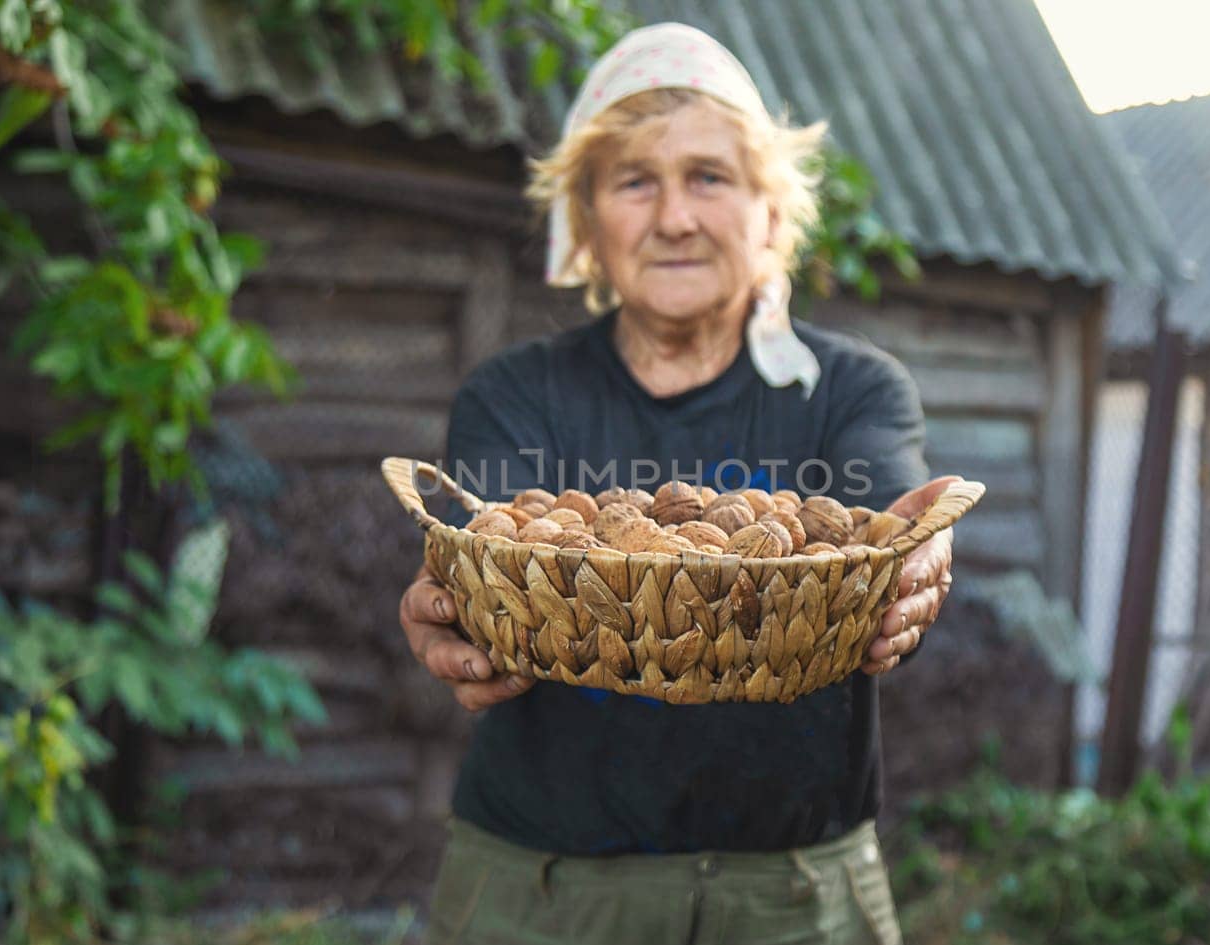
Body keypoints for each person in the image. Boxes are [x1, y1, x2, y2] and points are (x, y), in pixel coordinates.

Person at [398, 22, 958, 945]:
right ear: (584, 220)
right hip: (541, 888)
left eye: (709, 176)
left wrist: (921, 548)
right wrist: (459, 601)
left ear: (769, 212)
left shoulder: (854, 389)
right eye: (634, 181)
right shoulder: (514, 393)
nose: (674, 218)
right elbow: (481, 542)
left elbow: (896, 517)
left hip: (794, 892)